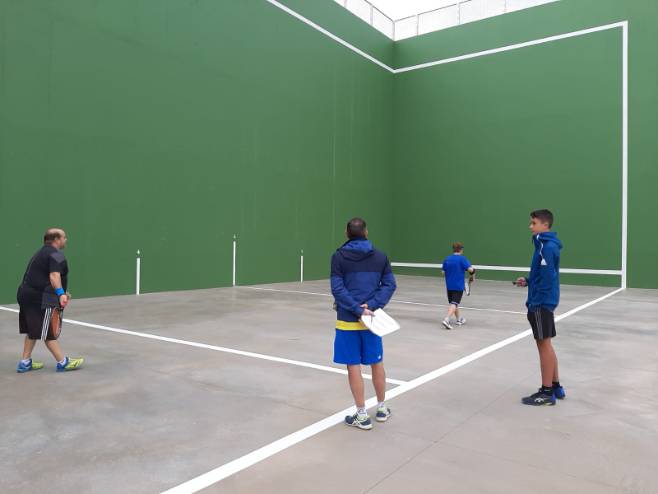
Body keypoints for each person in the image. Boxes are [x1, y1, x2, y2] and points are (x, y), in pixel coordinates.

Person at [331, 217, 396, 430]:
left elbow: (337, 289)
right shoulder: (380, 256)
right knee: (377, 363)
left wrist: (357, 309)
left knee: (353, 366)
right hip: (372, 322)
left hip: (347, 321)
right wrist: (372, 306)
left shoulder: (338, 257)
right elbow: (389, 285)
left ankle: (362, 415)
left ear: (346, 233)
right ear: (366, 232)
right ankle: (382, 408)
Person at [16, 228, 84, 373]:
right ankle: (62, 362)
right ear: (56, 239)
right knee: (48, 331)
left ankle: (25, 362)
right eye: (64, 237)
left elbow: (43, 276)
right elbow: (54, 276)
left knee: (32, 329)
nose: (66, 240)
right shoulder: (55, 254)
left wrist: (62, 292)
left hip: (25, 295)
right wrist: (60, 294)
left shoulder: (41, 252)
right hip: (39, 298)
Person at [515, 210, 565, 405]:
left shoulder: (546, 247)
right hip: (544, 301)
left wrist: (536, 301)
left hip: (541, 303)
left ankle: (546, 393)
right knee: (547, 345)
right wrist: (528, 281)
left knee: (543, 345)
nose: (530, 226)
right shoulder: (545, 245)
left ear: (545, 225)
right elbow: (542, 275)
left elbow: (548, 278)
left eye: (533, 223)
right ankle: (556, 386)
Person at [441, 242, 475, 330]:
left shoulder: (447, 259)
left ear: (453, 249)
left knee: (454, 303)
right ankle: (447, 319)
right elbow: (471, 270)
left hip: (449, 286)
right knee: (454, 303)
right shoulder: (462, 259)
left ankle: (459, 319)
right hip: (458, 286)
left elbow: (443, 272)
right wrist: (473, 274)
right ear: (461, 250)